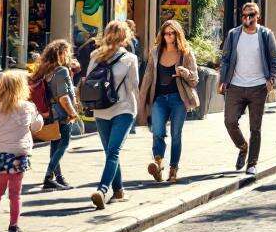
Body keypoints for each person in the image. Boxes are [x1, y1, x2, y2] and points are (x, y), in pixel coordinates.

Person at [0, 70, 43, 232]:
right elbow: (36, 127)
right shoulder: (28, 107)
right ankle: (13, 227)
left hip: (0, 155)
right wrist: (39, 118)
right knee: (15, 195)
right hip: (18, 156)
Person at [218, 2, 276, 177]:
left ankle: (252, 163)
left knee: (255, 128)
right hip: (235, 85)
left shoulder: (266, 34)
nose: (247, 18)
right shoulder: (233, 34)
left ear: (258, 16)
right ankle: (243, 146)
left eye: (251, 15)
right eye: (244, 15)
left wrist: (271, 79)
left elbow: (274, 59)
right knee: (230, 121)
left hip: (258, 87)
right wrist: (222, 80)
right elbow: (226, 58)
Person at [84, 21, 140, 210]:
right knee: (113, 152)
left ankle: (113, 191)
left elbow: (89, 80)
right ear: (125, 37)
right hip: (124, 108)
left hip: (100, 109)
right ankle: (107, 191)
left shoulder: (95, 55)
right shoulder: (130, 58)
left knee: (111, 152)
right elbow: (133, 86)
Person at [138, 20, 200, 184]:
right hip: (159, 99)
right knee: (157, 132)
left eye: (172, 33)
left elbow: (195, 79)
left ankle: (173, 169)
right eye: (166, 33)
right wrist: (142, 97)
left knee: (176, 134)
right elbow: (148, 76)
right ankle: (158, 164)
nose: (169, 36)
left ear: (177, 35)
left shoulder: (185, 53)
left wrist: (185, 72)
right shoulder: (155, 52)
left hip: (179, 99)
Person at [31, 40, 80, 190]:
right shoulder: (61, 71)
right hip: (62, 114)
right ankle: (48, 176)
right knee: (63, 144)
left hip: (51, 113)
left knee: (55, 145)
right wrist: (73, 113)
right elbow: (63, 97)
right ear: (61, 53)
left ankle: (58, 177)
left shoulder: (46, 71)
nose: (68, 55)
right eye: (67, 52)